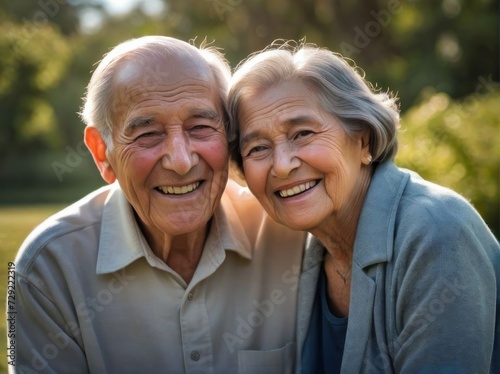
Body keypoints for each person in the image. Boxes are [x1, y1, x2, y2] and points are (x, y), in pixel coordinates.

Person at [11, 36, 306, 373]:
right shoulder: (46, 268)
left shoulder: (289, 235)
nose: (180, 161)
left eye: (200, 127)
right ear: (101, 153)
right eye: (147, 134)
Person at [227, 40, 500, 373]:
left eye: (302, 133)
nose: (282, 165)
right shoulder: (302, 251)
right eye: (257, 148)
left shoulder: (437, 232)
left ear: (364, 140)